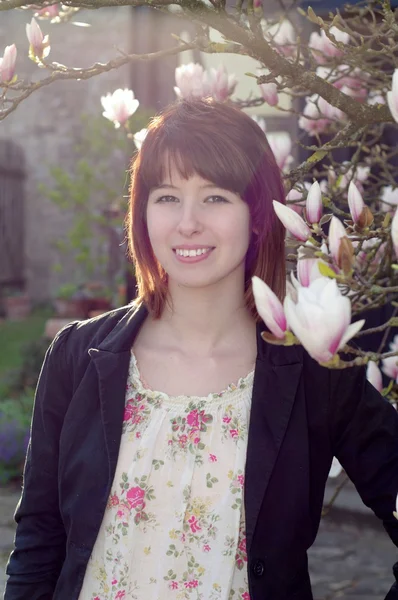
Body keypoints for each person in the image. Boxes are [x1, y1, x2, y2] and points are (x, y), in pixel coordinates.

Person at [3, 98, 398, 600]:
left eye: (215, 197)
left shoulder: (313, 369)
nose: (187, 223)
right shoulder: (79, 357)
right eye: (167, 196)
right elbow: (39, 541)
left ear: (257, 216)